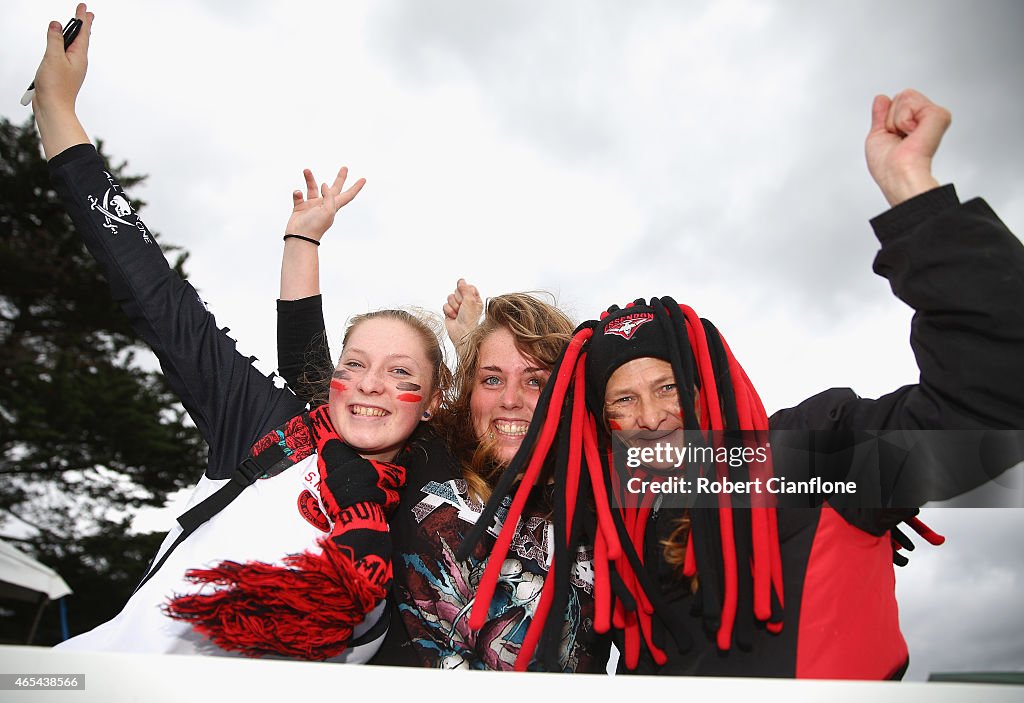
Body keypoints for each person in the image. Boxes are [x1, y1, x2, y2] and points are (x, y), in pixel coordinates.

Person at [460, 88, 1024, 677]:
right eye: (624, 400)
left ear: (707, 386)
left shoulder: (814, 457)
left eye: (669, 387)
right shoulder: (606, 524)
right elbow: (489, 447)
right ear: (603, 423)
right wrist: (468, 348)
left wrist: (915, 198)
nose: (651, 417)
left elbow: (990, 404)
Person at [34, 5, 446, 662]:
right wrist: (58, 110)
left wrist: (480, 338)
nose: (371, 382)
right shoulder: (268, 426)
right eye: (356, 363)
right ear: (329, 377)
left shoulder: (434, 513)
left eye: (401, 373)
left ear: (432, 401)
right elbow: (155, 296)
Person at [277, 258, 609, 668]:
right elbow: (313, 379)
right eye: (490, 379)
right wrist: (303, 243)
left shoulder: (608, 486)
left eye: (536, 381)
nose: (510, 399)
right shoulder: (427, 448)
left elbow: (689, 459)